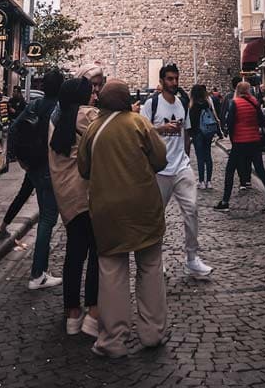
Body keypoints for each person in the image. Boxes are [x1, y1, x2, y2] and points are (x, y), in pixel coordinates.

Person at [78, 79, 168, 359]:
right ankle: (153, 333)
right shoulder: (138, 123)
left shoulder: (93, 130)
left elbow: (83, 169)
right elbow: (161, 159)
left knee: (112, 273)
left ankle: (112, 340)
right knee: (150, 267)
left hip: (108, 211)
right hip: (143, 208)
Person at [141, 64, 213, 279]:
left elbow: (187, 132)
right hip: (160, 170)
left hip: (181, 166)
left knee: (192, 210)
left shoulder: (182, 103)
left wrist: (186, 156)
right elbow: (141, 132)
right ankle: (156, 260)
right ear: (162, 81)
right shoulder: (151, 104)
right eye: (170, 79)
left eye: (176, 79)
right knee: (156, 218)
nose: (174, 82)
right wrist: (161, 129)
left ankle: (192, 259)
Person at [49, 77, 99, 335]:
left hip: (67, 200)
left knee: (74, 255)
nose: (95, 95)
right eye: (91, 91)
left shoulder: (56, 123)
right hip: (89, 198)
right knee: (96, 254)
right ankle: (92, 313)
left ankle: (71, 313)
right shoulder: (88, 116)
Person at [11, 69, 64, 290]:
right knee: (47, 220)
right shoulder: (59, 109)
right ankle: (37, 274)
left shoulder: (35, 105)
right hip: (49, 169)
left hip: (34, 168)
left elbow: (14, 128)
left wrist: (22, 161)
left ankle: (39, 271)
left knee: (45, 216)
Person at [215, 81, 265, 212]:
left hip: (240, 142)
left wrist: (231, 137)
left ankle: (225, 201)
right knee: (261, 171)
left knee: (230, 171)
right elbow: (262, 121)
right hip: (254, 141)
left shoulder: (235, 103)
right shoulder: (255, 103)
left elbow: (231, 123)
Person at [188, 84, 219, 190]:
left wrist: (190, 135)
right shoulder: (207, 104)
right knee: (208, 156)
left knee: (200, 158)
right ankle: (209, 181)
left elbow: (191, 123)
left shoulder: (193, 107)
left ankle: (201, 181)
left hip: (198, 134)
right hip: (208, 132)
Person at [0, 171, 34, 241]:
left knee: (21, 197)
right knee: (46, 209)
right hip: (42, 170)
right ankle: (43, 244)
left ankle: (3, 227)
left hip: (32, 169)